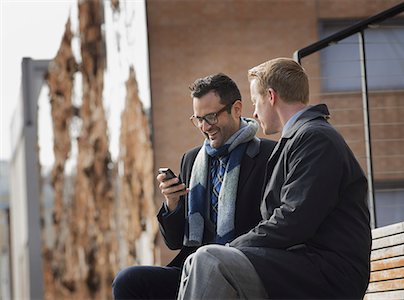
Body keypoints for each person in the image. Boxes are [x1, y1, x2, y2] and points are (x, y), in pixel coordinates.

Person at [177, 58, 372, 299]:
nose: (255, 112)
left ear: (271, 96)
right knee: (195, 261)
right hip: (299, 264)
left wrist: (231, 248)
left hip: (329, 273)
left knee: (211, 260)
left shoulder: (315, 138)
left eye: (255, 101)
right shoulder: (299, 139)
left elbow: (293, 220)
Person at [112, 73, 276, 299]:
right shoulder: (191, 160)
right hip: (191, 268)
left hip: (240, 267)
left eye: (210, 117)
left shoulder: (269, 156)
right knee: (128, 281)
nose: (204, 127)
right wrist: (172, 204)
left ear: (236, 109)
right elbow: (174, 241)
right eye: (198, 119)